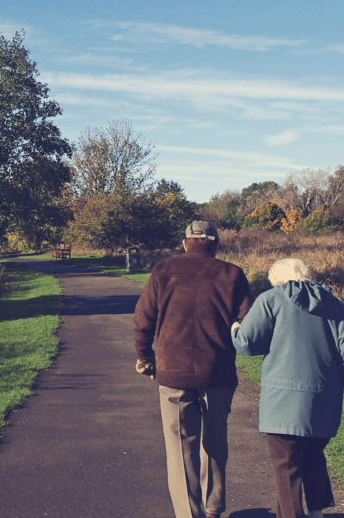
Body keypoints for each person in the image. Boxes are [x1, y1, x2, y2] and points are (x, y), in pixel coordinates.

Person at [231, 258, 344, 518]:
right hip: (324, 400)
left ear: (277, 281)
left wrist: (235, 326)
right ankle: (316, 512)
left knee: (287, 466)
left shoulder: (270, 300)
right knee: (314, 456)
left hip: (282, 402)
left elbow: (248, 344)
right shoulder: (336, 305)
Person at [134, 221, 254, 518]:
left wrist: (144, 357)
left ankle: (190, 514)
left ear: (185, 242)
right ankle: (213, 507)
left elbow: (143, 318)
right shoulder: (232, 273)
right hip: (218, 371)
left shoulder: (163, 270)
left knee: (179, 448)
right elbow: (249, 323)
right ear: (216, 244)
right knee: (215, 440)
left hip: (173, 370)